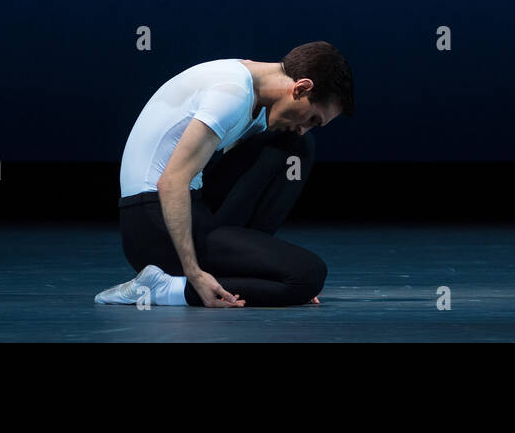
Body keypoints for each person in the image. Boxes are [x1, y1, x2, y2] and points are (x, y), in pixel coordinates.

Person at [95, 42, 352, 308]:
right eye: (312, 119)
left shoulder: (256, 87)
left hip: (189, 209)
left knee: (296, 148)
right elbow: (171, 182)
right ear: (301, 88)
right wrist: (194, 273)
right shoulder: (232, 93)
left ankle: (254, 271)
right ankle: (166, 289)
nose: (304, 128)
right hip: (152, 227)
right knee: (307, 276)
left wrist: (267, 266)